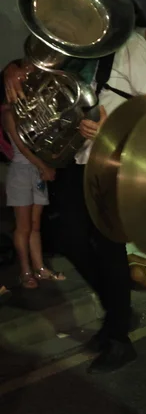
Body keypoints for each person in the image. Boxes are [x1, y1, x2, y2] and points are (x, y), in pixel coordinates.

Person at [3, 29, 146, 372]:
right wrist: (13, 71)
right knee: (69, 238)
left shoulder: (129, 44)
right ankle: (117, 310)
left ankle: (118, 337)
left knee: (108, 246)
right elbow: (34, 71)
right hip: (77, 159)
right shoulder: (76, 48)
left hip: (112, 158)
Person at [2, 105, 63, 289]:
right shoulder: (9, 113)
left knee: (35, 225)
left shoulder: (35, 109)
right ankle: (25, 272)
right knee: (24, 227)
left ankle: (40, 268)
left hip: (37, 172)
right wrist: (44, 166)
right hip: (21, 172)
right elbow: (22, 146)